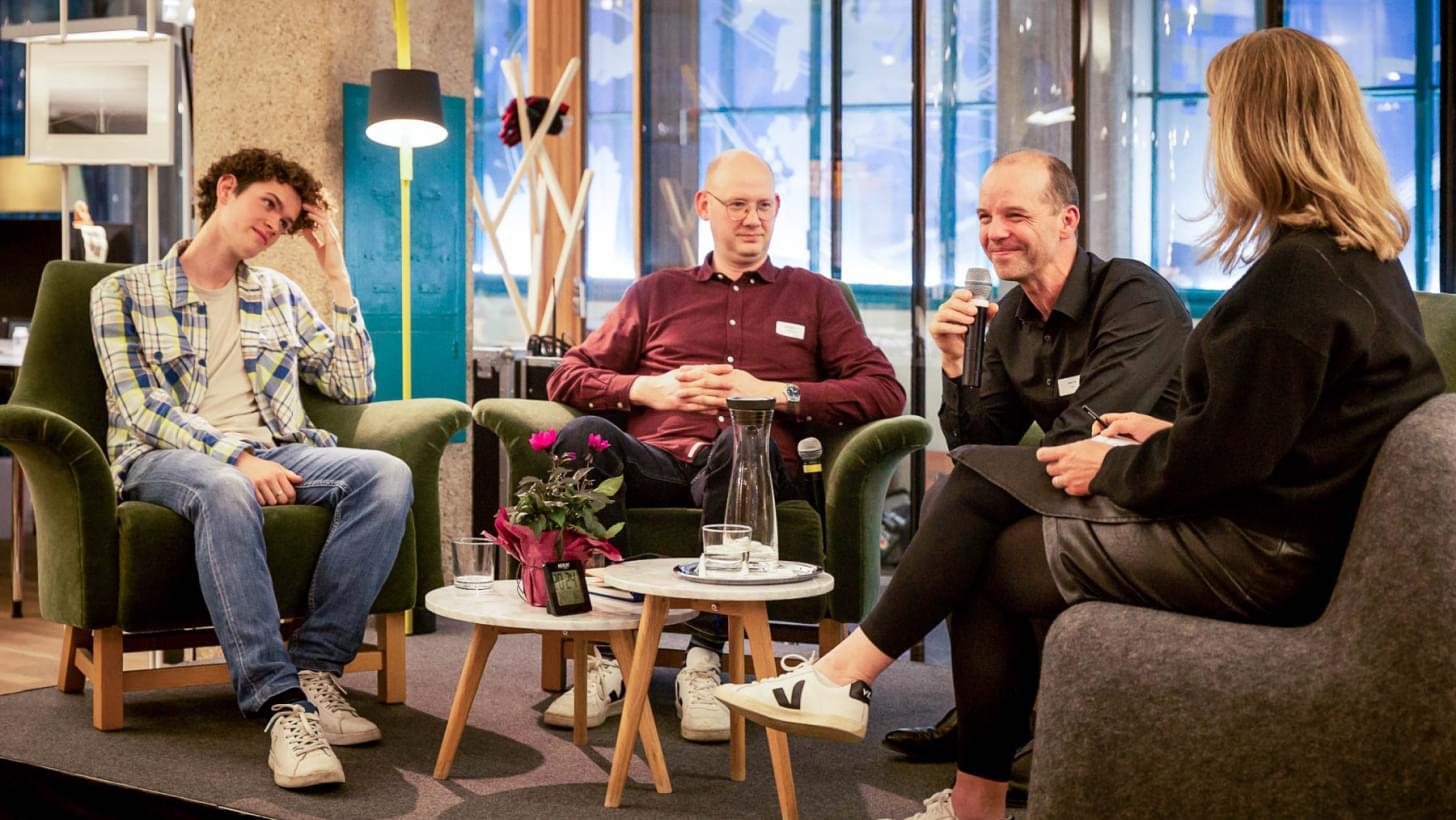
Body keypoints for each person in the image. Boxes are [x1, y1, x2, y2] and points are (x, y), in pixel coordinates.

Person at [715, 28, 1445, 820]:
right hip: (1271, 528)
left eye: (1217, 118)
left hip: (1262, 554)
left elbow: (1218, 460)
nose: (1212, 142)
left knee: (980, 522)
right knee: (978, 515)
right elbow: (1283, 435)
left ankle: (858, 690)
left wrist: (1118, 462)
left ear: (1261, 131)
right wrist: (970, 369)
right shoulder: (1350, 262)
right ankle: (937, 764)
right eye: (986, 216)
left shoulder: (1281, 279)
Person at [542, 148, 905, 743]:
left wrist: (775, 394)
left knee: (745, 435)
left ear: (778, 209)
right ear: (704, 207)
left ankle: (705, 660)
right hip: (661, 460)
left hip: (754, 464)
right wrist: (647, 389)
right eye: (737, 204)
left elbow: (883, 390)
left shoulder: (815, 297)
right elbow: (569, 375)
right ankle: (605, 655)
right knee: (583, 437)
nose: (751, 218)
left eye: (763, 205)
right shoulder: (655, 293)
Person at [90, 147, 414, 790]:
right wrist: (234, 456)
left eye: (287, 219)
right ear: (226, 190)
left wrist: (337, 274)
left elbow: (353, 386)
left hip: (276, 446)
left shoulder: (280, 294)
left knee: (386, 474)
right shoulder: (121, 291)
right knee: (226, 488)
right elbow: (139, 407)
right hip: (165, 457)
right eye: (268, 204)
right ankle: (281, 706)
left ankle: (316, 668)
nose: (274, 225)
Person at [884, 150, 1191, 767]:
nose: (994, 231)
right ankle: (987, 719)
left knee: (971, 513)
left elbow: (1091, 433)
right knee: (970, 505)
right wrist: (954, 366)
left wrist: (996, 471)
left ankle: (952, 703)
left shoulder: (1134, 297)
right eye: (983, 215)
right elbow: (980, 440)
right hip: (1070, 487)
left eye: (1014, 214)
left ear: (1066, 220)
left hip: (1154, 496)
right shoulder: (1010, 320)